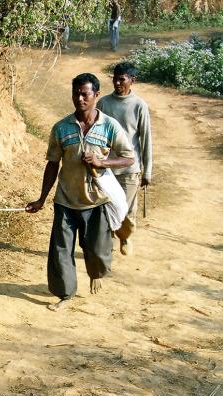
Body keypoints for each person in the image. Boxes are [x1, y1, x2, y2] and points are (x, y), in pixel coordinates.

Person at [26, 73, 135, 311]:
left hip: (97, 202)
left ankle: (96, 272)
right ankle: (66, 294)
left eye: (85, 94)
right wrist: (42, 199)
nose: (79, 98)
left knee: (97, 251)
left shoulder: (109, 126)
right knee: (61, 251)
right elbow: (53, 164)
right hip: (66, 200)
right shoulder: (61, 128)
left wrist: (101, 162)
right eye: (76, 93)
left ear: (96, 95)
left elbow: (128, 158)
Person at [96, 62, 153, 255]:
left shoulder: (139, 105)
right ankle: (108, 240)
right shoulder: (103, 103)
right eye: (115, 78)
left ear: (132, 81)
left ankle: (125, 236)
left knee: (127, 211)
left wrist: (147, 171)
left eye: (122, 79)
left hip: (130, 169)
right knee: (108, 205)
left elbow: (146, 140)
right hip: (106, 166)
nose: (117, 82)